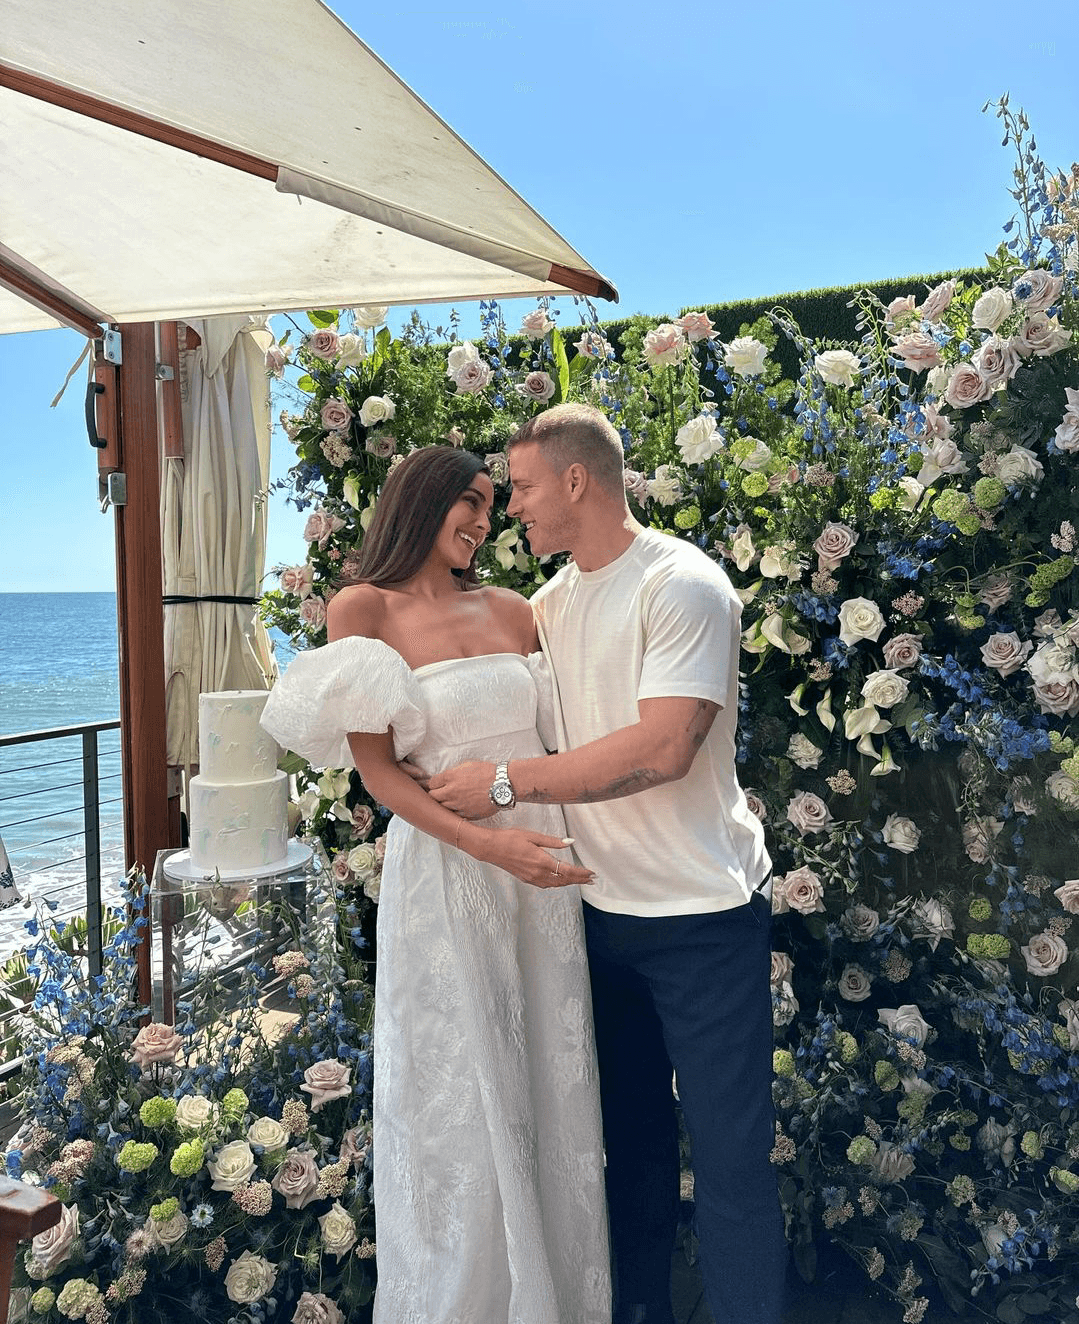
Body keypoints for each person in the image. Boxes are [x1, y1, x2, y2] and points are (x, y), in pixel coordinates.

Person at [426, 404, 787, 1324]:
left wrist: (501, 784)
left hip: (701, 921)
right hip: (593, 923)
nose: (513, 510)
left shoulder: (684, 586)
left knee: (732, 1168)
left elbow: (662, 750)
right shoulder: (548, 606)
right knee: (625, 1160)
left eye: (524, 487)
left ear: (576, 481)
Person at [260, 445, 610, 1324]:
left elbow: (559, 743)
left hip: (541, 878)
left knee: (550, 1079)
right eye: (471, 504)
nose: (485, 524)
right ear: (421, 502)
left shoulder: (515, 610)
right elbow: (383, 781)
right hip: (449, 877)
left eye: (494, 507)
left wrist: (533, 846)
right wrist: (493, 851)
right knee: (458, 1094)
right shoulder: (361, 609)